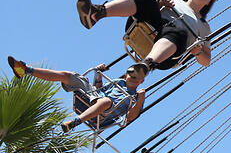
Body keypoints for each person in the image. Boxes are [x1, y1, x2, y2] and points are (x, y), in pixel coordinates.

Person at [75, 0, 221, 70]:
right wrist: (161, 3)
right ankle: (97, 13)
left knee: (178, 33)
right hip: (149, 27)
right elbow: (152, 8)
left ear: (210, 1)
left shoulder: (204, 26)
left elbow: (206, 60)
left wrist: (198, 51)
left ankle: (146, 65)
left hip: (170, 50)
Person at [8, 57, 147, 132]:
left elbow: (129, 118)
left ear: (141, 80)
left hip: (102, 116)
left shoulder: (134, 97)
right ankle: (26, 70)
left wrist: (140, 100)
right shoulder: (118, 82)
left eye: (137, 75)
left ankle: (74, 122)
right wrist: (99, 75)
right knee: (69, 75)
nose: (132, 75)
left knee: (106, 102)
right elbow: (99, 91)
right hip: (93, 99)